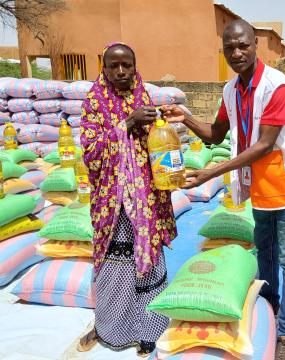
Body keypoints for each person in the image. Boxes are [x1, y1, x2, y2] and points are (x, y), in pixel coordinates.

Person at [161, 20, 285, 360]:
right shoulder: (231, 90)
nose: (237, 53)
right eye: (230, 47)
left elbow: (264, 144)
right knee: (265, 250)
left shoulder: (278, 86)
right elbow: (215, 134)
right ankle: (271, 308)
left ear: (256, 45)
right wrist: (184, 117)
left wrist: (210, 172)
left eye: (243, 45)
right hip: (259, 184)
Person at [77, 42, 177, 357]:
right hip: (113, 203)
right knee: (115, 267)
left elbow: (153, 142)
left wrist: (157, 124)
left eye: (127, 65)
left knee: (148, 264)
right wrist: (128, 123)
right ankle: (111, 328)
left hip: (146, 198)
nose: (121, 72)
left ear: (135, 66)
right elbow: (91, 153)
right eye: (114, 65)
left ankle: (150, 330)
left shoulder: (141, 95)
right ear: (103, 68)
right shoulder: (94, 101)